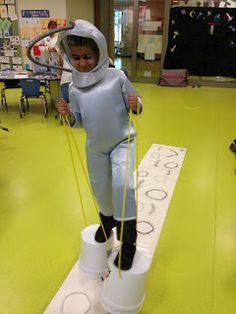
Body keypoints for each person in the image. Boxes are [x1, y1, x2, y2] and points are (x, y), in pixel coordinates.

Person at [56, 20, 142, 270]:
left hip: (122, 142)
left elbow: (135, 101)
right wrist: (68, 115)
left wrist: (136, 103)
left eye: (88, 56)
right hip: (95, 147)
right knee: (101, 188)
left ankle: (128, 243)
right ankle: (108, 222)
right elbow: (78, 122)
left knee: (122, 185)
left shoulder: (116, 76)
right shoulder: (73, 87)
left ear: (100, 53)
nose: (82, 62)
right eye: (76, 57)